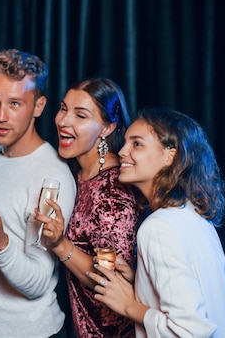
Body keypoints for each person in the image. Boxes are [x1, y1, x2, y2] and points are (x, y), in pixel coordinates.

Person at [88, 107, 225, 337]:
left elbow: (190, 331)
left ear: (170, 155)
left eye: (137, 143)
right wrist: (140, 279)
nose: (122, 151)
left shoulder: (157, 228)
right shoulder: (193, 215)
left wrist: (130, 305)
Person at [0, 49, 77, 338]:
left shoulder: (53, 176)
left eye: (15, 103)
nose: (0, 116)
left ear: (39, 106)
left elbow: (38, 283)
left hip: (33, 332)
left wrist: (1, 243)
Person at [35, 78, 138, 337]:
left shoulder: (113, 192)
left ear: (107, 128)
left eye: (80, 115)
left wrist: (60, 244)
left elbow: (110, 280)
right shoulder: (77, 172)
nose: (63, 121)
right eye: (63, 108)